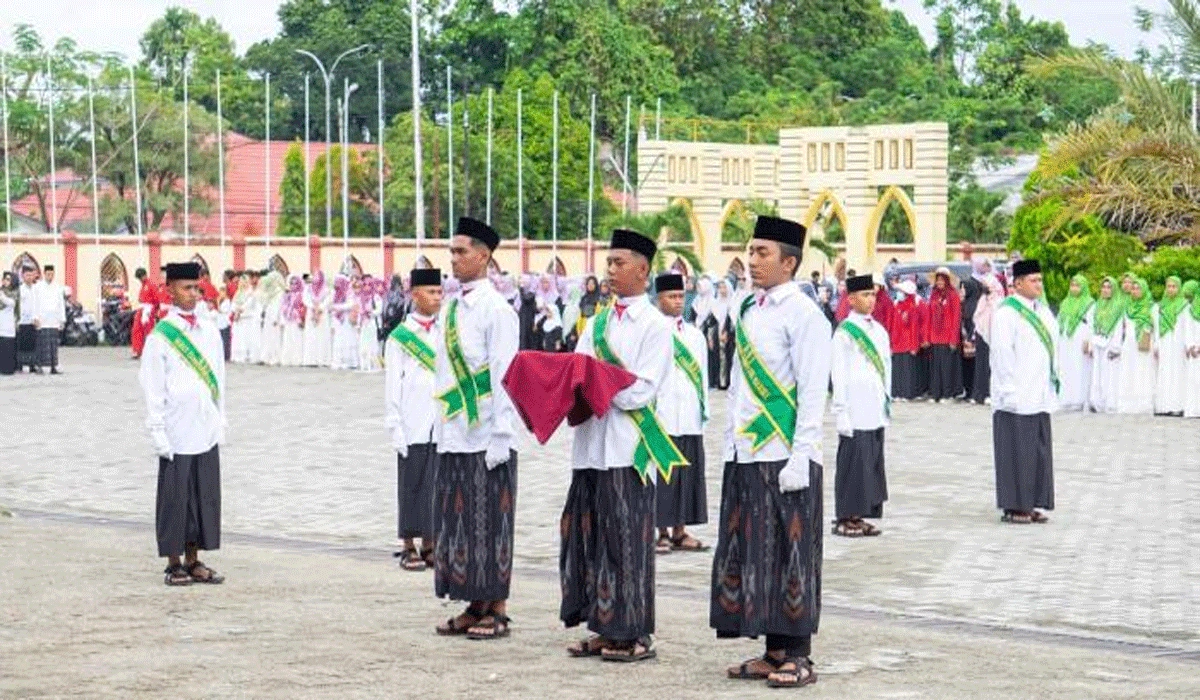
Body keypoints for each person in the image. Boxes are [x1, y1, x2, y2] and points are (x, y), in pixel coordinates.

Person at [712, 216, 829, 689]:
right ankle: (773, 649)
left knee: (791, 552)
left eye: (763, 254)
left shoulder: (804, 315)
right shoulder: (749, 309)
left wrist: (802, 454)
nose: (752, 261)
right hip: (747, 451)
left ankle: (799, 654)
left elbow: (812, 389)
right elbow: (740, 384)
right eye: (751, 251)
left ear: (790, 262)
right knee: (756, 553)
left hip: (785, 453)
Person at [562, 229, 679, 663]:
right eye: (608, 263)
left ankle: (632, 632)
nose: (609, 270)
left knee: (626, 541)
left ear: (643, 270)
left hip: (629, 448)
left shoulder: (655, 327)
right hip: (592, 445)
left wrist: (598, 383)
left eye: (618, 263)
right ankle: (601, 623)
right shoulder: (596, 322)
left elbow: (641, 391)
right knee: (589, 536)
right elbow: (578, 370)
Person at [431, 217, 520, 641]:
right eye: (451, 251)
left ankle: (497, 608)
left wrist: (502, 433)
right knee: (462, 522)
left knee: (491, 522)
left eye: (461, 251)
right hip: (455, 432)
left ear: (484, 257)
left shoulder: (497, 310)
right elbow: (442, 373)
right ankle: (472, 602)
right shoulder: (449, 309)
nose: (454, 258)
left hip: (488, 435)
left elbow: (504, 374)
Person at [138, 261, 227, 586]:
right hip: (175, 427)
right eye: (187, 288)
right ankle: (174, 562)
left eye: (197, 288)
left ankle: (194, 559)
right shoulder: (161, 337)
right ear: (170, 290)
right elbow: (152, 386)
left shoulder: (209, 331)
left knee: (202, 495)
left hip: (204, 425)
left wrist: (221, 416)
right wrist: (157, 429)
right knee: (176, 497)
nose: (193, 294)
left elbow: (219, 377)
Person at [990, 259, 1056, 525]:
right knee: (1016, 451)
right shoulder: (1006, 313)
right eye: (1033, 280)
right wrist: (1008, 390)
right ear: (1017, 284)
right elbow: (1002, 353)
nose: (1039, 285)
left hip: (1038, 392)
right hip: (1015, 395)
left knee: (1037, 451)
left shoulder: (1043, 311)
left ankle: (1032, 501)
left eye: (1040, 280)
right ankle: (1015, 505)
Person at [386, 268, 444, 571]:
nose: (437, 297)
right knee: (411, 482)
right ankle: (408, 544)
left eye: (439, 292)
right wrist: (394, 423)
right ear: (415, 294)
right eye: (431, 292)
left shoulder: (443, 330)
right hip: (411, 419)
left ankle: (431, 542)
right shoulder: (400, 337)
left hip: (440, 419)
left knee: (435, 482)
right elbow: (392, 383)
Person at [652, 272, 709, 556]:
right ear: (658, 299)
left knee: (687, 473)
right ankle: (660, 531)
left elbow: (702, 375)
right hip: (661, 413)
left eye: (680, 297)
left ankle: (681, 530)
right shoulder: (651, 331)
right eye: (671, 297)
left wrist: (704, 409)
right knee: (664, 474)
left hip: (688, 413)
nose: (677, 302)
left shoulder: (695, 335)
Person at [831, 274, 891, 537]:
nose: (871, 300)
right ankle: (846, 516)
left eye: (873, 295)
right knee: (853, 462)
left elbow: (886, 368)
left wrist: (886, 400)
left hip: (874, 406)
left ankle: (863, 513)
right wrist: (841, 410)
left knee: (871, 463)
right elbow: (838, 374)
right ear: (851, 299)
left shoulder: (879, 331)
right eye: (865, 295)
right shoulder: (844, 333)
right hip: (854, 408)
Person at [1056, 275, 1094, 412]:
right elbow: (1059, 321)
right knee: (1066, 368)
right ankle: (1065, 398)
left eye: (1077, 285)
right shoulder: (1065, 302)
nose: (1074, 288)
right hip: (1066, 340)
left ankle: (1079, 399)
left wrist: (1089, 341)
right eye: (1072, 285)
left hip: (1080, 340)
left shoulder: (1089, 303)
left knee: (1079, 368)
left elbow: (1091, 324)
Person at [1117, 277, 1155, 414]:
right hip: (1129, 345)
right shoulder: (1128, 308)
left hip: (1144, 346)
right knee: (1129, 373)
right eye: (1133, 288)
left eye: (1138, 288)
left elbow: (1155, 328)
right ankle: (1129, 404)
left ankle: (1143, 404)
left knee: (1143, 372)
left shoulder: (1152, 307)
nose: (1135, 291)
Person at [1087, 277, 1124, 414]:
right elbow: (1091, 326)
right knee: (1098, 373)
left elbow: (1119, 328)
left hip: (1110, 345)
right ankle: (1097, 403)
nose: (1106, 290)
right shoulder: (1096, 305)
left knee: (1110, 374)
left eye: (1109, 287)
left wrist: (1115, 347)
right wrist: (1091, 344)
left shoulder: (1118, 306)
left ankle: (1110, 403)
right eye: (1104, 287)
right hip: (1098, 344)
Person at [926, 267, 962, 402]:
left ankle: (948, 394)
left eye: (942, 280)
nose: (939, 282)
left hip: (947, 337)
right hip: (935, 337)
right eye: (938, 280)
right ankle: (935, 394)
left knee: (947, 368)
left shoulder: (953, 295)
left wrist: (954, 338)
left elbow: (956, 318)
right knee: (935, 368)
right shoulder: (933, 295)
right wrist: (928, 336)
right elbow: (929, 315)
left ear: (947, 281)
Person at [1154, 276, 1187, 416]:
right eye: (1169, 286)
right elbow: (1156, 327)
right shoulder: (1160, 306)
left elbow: (1185, 327)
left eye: (1174, 286)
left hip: (1178, 343)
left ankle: (1177, 406)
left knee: (1177, 373)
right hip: (1164, 342)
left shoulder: (1184, 305)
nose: (1171, 289)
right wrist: (1156, 344)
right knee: (1164, 372)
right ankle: (1163, 406)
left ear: (1179, 288)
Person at [889, 280, 922, 400]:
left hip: (908, 343)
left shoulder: (912, 307)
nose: (899, 293)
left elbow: (914, 328)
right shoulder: (896, 305)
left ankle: (907, 393)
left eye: (901, 291)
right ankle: (897, 393)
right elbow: (892, 326)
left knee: (907, 370)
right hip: (897, 343)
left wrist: (914, 346)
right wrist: (891, 343)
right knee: (898, 370)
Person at [329, 275, 359, 370]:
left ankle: (349, 362)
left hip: (347, 320)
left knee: (348, 340)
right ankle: (339, 361)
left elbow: (350, 305)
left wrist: (336, 307)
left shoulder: (349, 292)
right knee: (339, 340)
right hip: (338, 321)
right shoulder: (335, 294)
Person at [302, 271, 331, 367]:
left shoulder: (326, 289)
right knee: (311, 336)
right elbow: (305, 299)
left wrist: (320, 307)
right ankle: (311, 360)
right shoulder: (308, 289)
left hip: (322, 313)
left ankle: (322, 360)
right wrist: (312, 306)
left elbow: (328, 299)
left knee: (322, 336)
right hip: (311, 313)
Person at [258, 271, 286, 366]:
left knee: (275, 338)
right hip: (268, 317)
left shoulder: (279, 292)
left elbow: (278, 306)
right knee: (267, 336)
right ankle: (265, 357)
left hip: (275, 319)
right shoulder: (270, 292)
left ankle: (275, 358)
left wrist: (275, 318)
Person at [16, 266, 40, 373]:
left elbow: (37, 305)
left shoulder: (36, 289)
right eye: (27, 275)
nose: (29, 277)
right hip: (22, 321)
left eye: (31, 275)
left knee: (33, 344)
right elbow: (18, 306)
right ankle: (23, 364)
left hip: (33, 321)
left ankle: (32, 364)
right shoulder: (20, 290)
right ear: (22, 276)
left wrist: (37, 318)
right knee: (23, 344)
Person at [280, 276, 306, 367]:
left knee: (297, 339)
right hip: (288, 319)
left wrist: (299, 317)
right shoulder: (287, 295)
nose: (293, 285)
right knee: (288, 339)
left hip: (297, 320)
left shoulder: (302, 294)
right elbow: (283, 306)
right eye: (291, 283)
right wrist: (287, 311)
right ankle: (287, 359)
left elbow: (303, 307)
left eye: (295, 283)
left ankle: (297, 359)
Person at [131, 268, 157, 359]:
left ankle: (152, 351)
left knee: (148, 330)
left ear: (145, 275)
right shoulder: (143, 285)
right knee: (136, 329)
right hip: (141, 308)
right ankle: (137, 350)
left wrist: (155, 311)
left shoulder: (151, 285)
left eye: (141, 277)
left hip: (149, 309)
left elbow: (156, 299)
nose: (140, 280)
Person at [1183, 281, 1200, 418]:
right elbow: (1187, 329)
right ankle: (1194, 409)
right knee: (1194, 379)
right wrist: (1191, 345)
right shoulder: (1190, 309)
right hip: (1194, 351)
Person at [0, 272, 16, 375]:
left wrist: (1, 296)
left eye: (9, 279)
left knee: (8, 348)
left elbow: (12, 303)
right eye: (5, 279)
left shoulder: (13, 292)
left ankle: (8, 369)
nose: (6, 281)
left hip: (9, 324)